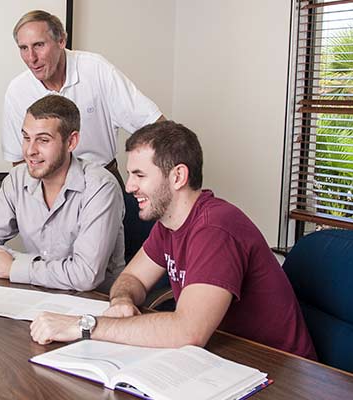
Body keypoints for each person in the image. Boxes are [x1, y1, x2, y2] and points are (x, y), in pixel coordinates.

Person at [30, 121, 317, 360]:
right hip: (221, 359)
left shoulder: (215, 228)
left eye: (139, 175)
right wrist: (122, 300)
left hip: (278, 372)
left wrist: (85, 326)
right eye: (130, 175)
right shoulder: (169, 224)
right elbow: (133, 278)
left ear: (178, 176)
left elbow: (187, 331)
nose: (129, 186)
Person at [0, 95, 124, 293]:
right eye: (26, 138)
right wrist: (33, 269)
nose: (30, 150)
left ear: (71, 142)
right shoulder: (17, 179)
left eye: (43, 140)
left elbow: (86, 276)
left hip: (95, 305)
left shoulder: (101, 187)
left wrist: (13, 267)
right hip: (39, 296)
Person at [3, 10, 164, 183]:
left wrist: (148, 179)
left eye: (39, 45)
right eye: (23, 48)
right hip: (47, 186)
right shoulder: (17, 90)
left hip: (101, 180)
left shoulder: (96, 70)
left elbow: (156, 125)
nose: (31, 58)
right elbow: (19, 161)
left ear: (61, 41)